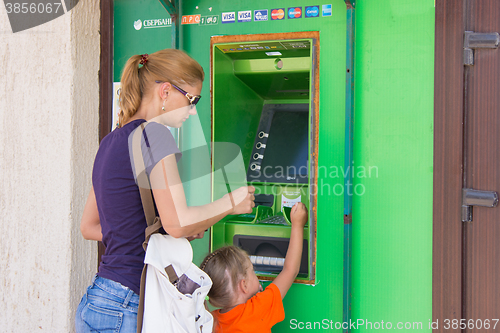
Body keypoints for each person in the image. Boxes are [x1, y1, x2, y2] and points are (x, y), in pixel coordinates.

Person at [75, 49, 255, 333]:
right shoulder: (155, 135)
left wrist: (159, 234)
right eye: (191, 99)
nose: (193, 109)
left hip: (98, 300)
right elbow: (177, 222)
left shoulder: (109, 142)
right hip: (133, 304)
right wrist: (231, 203)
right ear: (166, 91)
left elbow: (90, 226)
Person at [200, 202, 308, 333]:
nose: (254, 273)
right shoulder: (258, 309)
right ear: (244, 285)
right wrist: (297, 225)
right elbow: (290, 270)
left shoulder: (212, 321)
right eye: (252, 270)